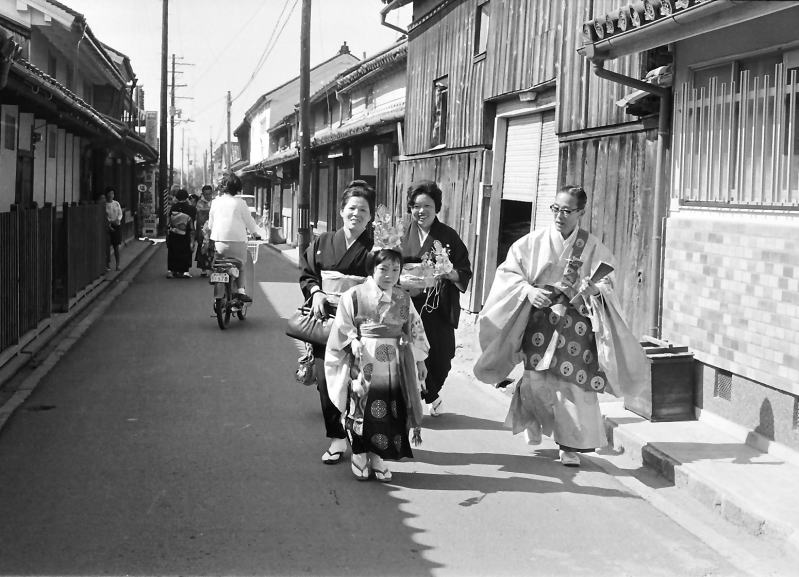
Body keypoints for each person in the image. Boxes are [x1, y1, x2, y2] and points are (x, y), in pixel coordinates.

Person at [474, 185, 650, 467]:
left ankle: (569, 444)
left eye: (567, 211)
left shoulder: (592, 246)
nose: (560, 216)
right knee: (537, 379)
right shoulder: (532, 242)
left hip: (575, 324)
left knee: (573, 382)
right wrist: (528, 291)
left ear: (581, 212)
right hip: (539, 318)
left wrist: (595, 289)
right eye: (556, 209)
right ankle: (532, 419)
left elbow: (608, 281)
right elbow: (508, 273)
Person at [325, 248, 429, 482]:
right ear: (372, 268)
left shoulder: (403, 297)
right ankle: (360, 453)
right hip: (364, 358)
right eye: (383, 269)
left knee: (390, 410)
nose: (390, 275)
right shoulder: (354, 295)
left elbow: (414, 328)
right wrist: (352, 340)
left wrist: (420, 359)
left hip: (394, 362)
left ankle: (378, 455)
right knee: (361, 407)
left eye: (395, 269)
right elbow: (342, 324)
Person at [298, 180, 375, 465]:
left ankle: (360, 437)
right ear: (341, 210)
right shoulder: (322, 241)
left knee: (360, 382)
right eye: (352, 208)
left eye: (363, 210)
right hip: (327, 320)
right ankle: (337, 438)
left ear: (370, 217)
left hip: (360, 323)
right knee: (325, 379)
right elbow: (308, 272)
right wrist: (316, 292)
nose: (356, 214)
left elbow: (385, 282)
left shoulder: (376, 248)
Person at [400, 180, 472, 417]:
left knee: (442, 357)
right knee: (409, 354)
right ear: (410, 208)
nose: (421, 211)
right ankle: (417, 398)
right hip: (406, 305)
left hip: (436, 307)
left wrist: (451, 273)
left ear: (436, 207)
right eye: (416, 206)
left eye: (427, 206)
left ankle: (431, 392)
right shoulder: (400, 234)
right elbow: (384, 265)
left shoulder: (448, 236)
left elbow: (464, 269)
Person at [207, 172, 265, 298]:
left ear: (223, 187)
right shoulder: (241, 203)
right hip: (238, 243)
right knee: (241, 265)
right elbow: (249, 222)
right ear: (238, 188)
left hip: (219, 242)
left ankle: (219, 287)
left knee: (220, 265)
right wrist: (255, 233)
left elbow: (211, 224)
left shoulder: (215, 202)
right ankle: (240, 291)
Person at [166, 189, 196, 278]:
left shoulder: (173, 207)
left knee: (173, 251)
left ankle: (171, 270)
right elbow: (192, 221)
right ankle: (185, 271)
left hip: (174, 232)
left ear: (177, 197)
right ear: (187, 197)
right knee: (185, 250)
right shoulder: (191, 208)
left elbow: (169, 221)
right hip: (186, 233)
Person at [195, 184, 214, 276]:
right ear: (203, 194)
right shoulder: (199, 203)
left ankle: (212, 268)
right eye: (206, 194)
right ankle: (203, 269)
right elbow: (199, 217)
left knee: (212, 249)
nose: (208, 196)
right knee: (202, 248)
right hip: (202, 230)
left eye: (209, 194)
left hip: (213, 230)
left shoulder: (215, 202)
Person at [104, 186, 123, 271]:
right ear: (107, 194)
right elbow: (104, 216)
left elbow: (120, 213)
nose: (111, 195)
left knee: (116, 246)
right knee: (107, 247)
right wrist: (110, 222)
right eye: (109, 193)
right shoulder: (104, 204)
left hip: (116, 225)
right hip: (108, 226)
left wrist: (118, 219)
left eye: (112, 193)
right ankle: (107, 264)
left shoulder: (116, 203)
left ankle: (118, 264)